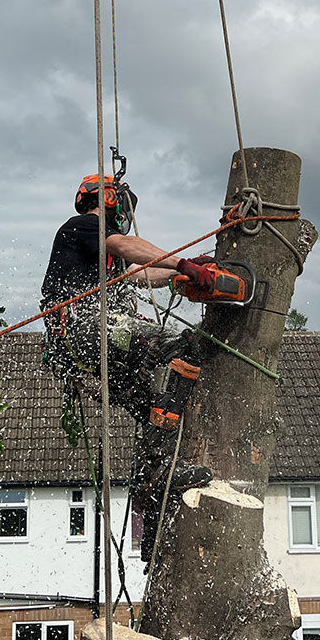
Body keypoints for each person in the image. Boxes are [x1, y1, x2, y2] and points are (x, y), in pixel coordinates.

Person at [40, 173, 214, 557]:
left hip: (87, 351)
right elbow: (127, 245)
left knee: (153, 408)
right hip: (89, 329)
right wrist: (182, 260)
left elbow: (141, 274)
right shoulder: (86, 225)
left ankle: (154, 484)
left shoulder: (106, 255)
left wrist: (181, 274)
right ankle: (156, 473)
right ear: (106, 199)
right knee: (182, 345)